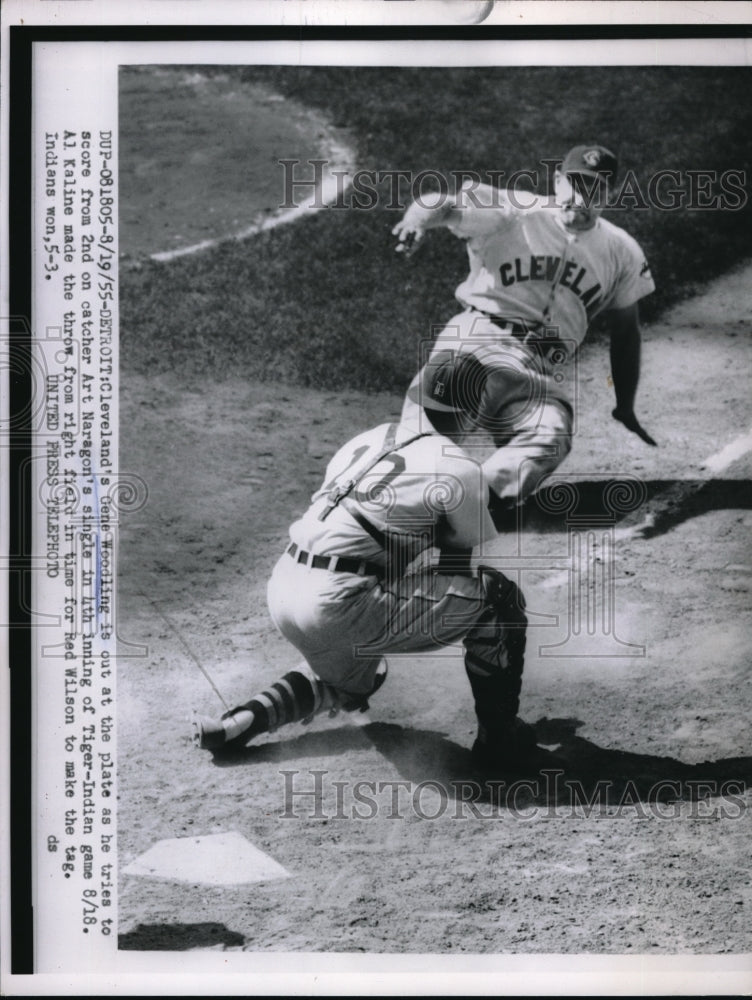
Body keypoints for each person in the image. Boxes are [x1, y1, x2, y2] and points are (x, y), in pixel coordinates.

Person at [192, 352, 538, 770]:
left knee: (356, 667)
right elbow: (456, 573)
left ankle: (235, 724)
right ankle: (499, 739)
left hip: (285, 587)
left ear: (421, 396)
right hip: (339, 601)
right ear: (474, 409)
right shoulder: (459, 467)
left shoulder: (368, 437)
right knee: (497, 599)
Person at [393, 144, 657, 524]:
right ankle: (386, 500)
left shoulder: (622, 251)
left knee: (550, 436)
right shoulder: (516, 211)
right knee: (422, 442)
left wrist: (626, 404)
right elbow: (442, 203)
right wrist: (417, 220)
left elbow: (626, 331)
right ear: (558, 181)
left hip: (535, 372)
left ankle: (464, 509)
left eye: (595, 189)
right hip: (477, 343)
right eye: (575, 184)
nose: (581, 196)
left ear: (610, 194)